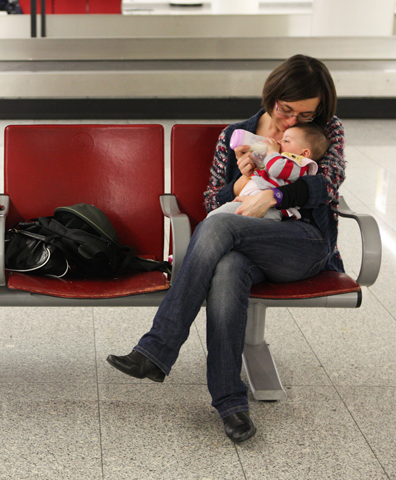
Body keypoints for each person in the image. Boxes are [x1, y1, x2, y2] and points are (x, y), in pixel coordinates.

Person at [106, 54, 345, 443]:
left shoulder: (327, 130)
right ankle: (231, 403)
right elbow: (210, 200)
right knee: (229, 268)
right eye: (286, 111)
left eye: (305, 114)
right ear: (271, 97)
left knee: (219, 226)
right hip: (248, 244)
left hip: (303, 243)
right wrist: (241, 183)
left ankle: (158, 348)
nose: (293, 122)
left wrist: (275, 196)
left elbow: (328, 184)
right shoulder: (237, 135)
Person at [207, 122, 329, 221]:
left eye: (286, 141)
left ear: (304, 153)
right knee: (214, 220)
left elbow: (275, 169)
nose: (279, 142)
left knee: (214, 219)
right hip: (251, 202)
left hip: (268, 209)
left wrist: (272, 152)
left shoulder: (299, 166)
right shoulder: (281, 160)